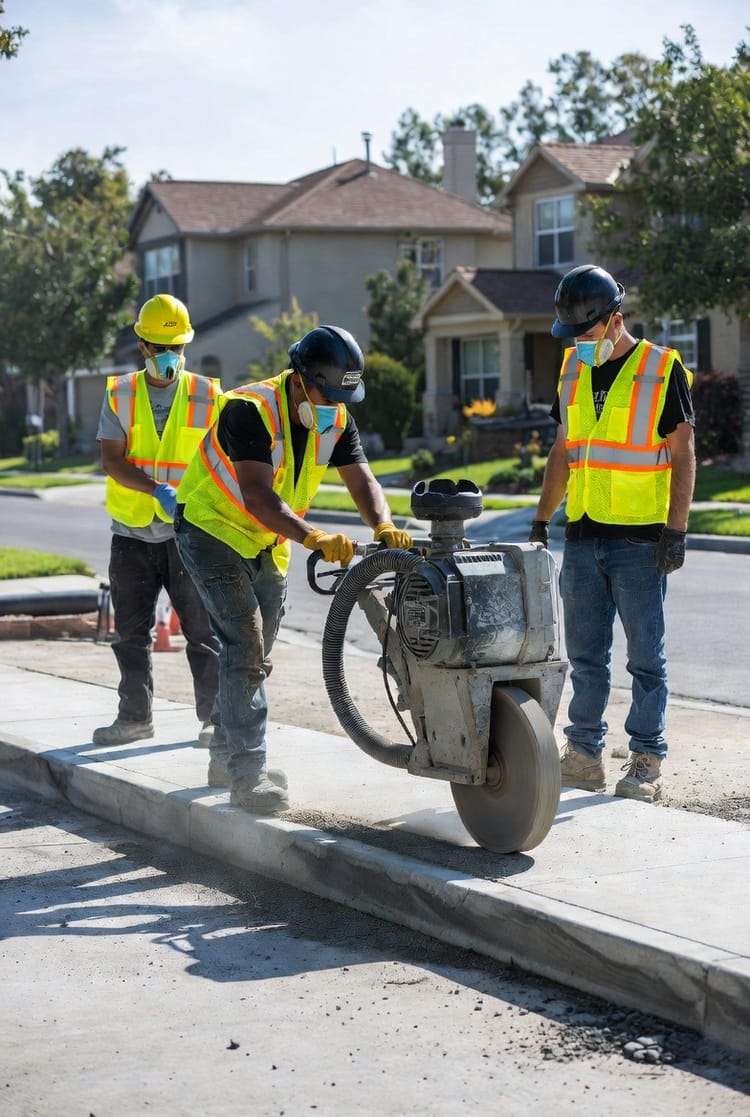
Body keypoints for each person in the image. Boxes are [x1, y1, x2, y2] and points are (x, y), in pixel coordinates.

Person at [173, 325, 413, 816]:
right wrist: (315, 538)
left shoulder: (335, 417)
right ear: (302, 380)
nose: (336, 406)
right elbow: (258, 495)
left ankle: (225, 756)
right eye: (329, 394)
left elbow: (361, 478)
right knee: (245, 648)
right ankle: (248, 775)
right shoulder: (250, 409)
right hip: (210, 530)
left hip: (266, 540)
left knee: (253, 654)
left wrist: (383, 524)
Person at [529, 265, 696, 803]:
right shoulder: (572, 370)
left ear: (614, 321)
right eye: (571, 335)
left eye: (584, 332)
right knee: (585, 656)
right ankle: (583, 755)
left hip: (641, 541)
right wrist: (540, 518)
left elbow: (683, 453)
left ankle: (646, 757)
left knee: (645, 656)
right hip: (582, 536)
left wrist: (677, 530)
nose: (576, 343)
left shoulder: (660, 369)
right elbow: (564, 451)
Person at [93, 294, 223, 748]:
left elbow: (223, 462)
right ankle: (134, 719)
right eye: (160, 346)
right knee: (130, 635)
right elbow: (112, 459)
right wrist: (155, 490)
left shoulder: (210, 395)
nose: (169, 355)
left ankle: (214, 721)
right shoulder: (120, 393)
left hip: (188, 534)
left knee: (204, 634)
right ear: (143, 345)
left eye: (177, 346)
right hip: (131, 533)